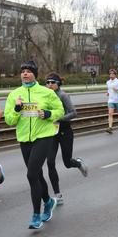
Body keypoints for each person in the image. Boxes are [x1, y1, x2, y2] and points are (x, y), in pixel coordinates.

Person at [4, 61, 64, 229]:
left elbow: (61, 111)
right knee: (36, 175)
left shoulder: (46, 93)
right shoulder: (14, 95)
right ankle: (48, 200)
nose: (25, 73)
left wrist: (48, 113)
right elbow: (9, 120)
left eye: (29, 71)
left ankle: (36, 215)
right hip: (24, 139)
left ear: (35, 74)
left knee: (31, 175)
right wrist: (16, 108)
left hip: (44, 137)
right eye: (23, 71)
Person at [45, 72, 88, 205]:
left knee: (67, 163)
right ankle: (58, 194)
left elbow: (74, 113)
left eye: (53, 82)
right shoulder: (44, 96)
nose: (50, 85)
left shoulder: (63, 96)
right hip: (51, 133)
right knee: (50, 162)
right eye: (47, 82)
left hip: (65, 132)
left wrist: (59, 118)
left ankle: (78, 163)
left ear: (58, 84)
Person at [105, 69, 118, 134]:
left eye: (112, 74)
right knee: (110, 113)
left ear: (115, 75)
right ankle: (110, 128)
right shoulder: (108, 82)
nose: (111, 75)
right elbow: (109, 89)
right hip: (111, 100)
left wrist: (117, 90)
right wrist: (108, 93)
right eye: (110, 74)